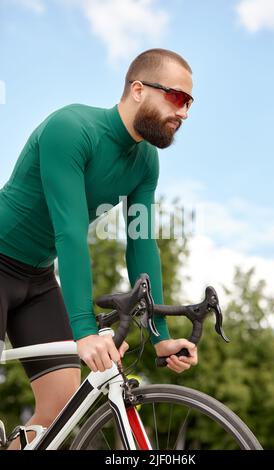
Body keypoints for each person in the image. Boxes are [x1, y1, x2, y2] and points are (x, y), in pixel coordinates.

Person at [0, 48, 198, 449]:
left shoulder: (145, 163)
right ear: (138, 90)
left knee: (59, 406)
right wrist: (84, 331)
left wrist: (160, 333)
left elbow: (142, 245)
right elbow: (70, 233)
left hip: (38, 279)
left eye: (190, 102)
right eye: (177, 97)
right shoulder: (71, 129)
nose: (185, 113)